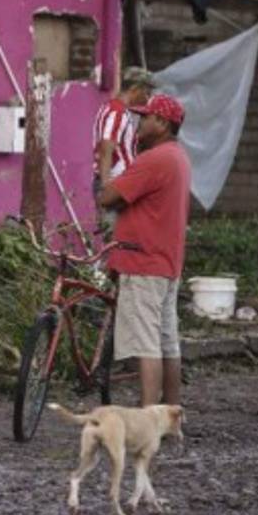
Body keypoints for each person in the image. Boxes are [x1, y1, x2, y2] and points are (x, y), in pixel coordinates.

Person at [97, 94, 191, 408]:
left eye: (145, 118)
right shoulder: (177, 156)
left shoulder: (154, 160)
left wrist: (105, 163)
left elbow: (108, 197)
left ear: (162, 123)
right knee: (167, 343)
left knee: (146, 343)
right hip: (165, 261)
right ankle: (172, 416)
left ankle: (149, 417)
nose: (139, 123)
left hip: (143, 262)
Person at [92, 67, 155, 231]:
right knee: (115, 237)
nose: (148, 98)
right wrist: (107, 186)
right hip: (116, 183)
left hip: (117, 184)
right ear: (135, 89)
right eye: (146, 92)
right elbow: (107, 148)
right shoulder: (116, 112)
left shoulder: (115, 110)